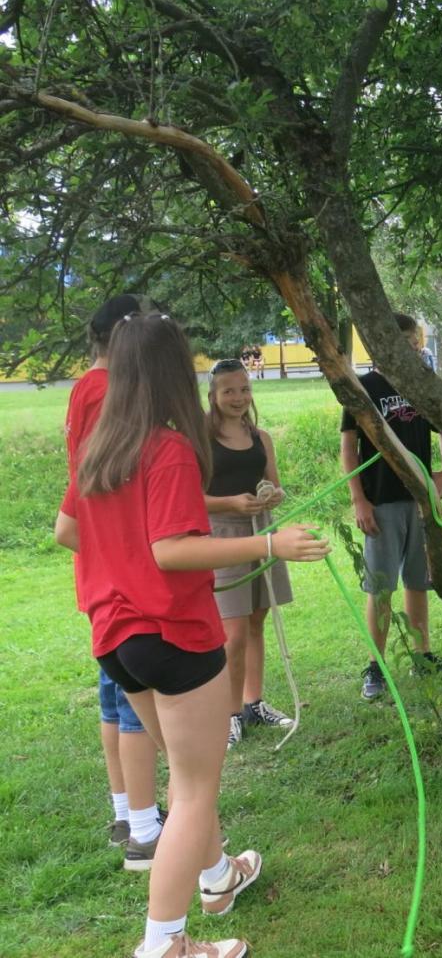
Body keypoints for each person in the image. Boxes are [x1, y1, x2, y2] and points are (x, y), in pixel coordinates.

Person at [55, 307, 329, 958]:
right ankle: (165, 945)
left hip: (115, 638)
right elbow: (170, 548)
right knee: (198, 787)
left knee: (187, 774)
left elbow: (69, 532)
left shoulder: (101, 450)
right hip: (173, 635)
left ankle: (218, 877)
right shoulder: (168, 447)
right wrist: (271, 541)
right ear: (176, 370)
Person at [65, 294, 168, 868]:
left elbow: (73, 512)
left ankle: (129, 812)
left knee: (117, 697)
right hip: (123, 579)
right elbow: (119, 488)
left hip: (102, 573)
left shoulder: (86, 388)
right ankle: (146, 830)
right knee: (135, 701)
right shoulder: (107, 392)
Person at [340, 313, 442, 700]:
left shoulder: (423, 384)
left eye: (413, 342)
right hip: (382, 500)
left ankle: (423, 655)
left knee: (418, 581)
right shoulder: (364, 387)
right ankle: (376, 665)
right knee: (382, 586)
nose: (409, 349)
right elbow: (348, 446)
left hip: (421, 499)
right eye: (400, 342)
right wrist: (359, 498)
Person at [204, 359, 294, 748]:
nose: (239, 398)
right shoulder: (200, 439)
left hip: (264, 532)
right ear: (213, 394)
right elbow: (190, 499)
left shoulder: (260, 437)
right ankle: (227, 714)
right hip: (224, 537)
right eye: (229, 390)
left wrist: (273, 495)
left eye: (244, 389)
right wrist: (230, 505)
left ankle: (252, 702)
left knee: (257, 622)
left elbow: (275, 485)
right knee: (233, 632)